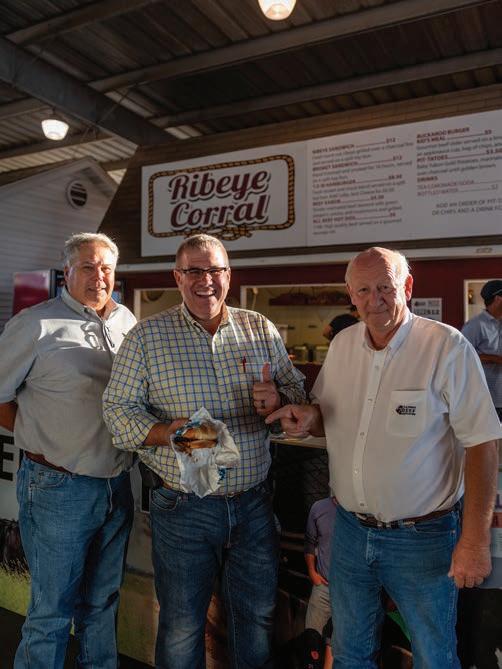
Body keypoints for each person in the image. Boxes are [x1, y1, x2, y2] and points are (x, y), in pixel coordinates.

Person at [266, 246, 501, 668]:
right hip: (350, 531)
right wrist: (306, 418)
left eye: (385, 288)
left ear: (407, 287)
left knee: (434, 657)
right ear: (350, 295)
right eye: (363, 290)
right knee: (350, 652)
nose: (374, 300)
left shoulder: (446, 346)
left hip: (423, 539)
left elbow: (483, 444)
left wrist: (474, 541)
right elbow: (326, 417)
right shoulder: (343, 345)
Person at [103, 233, 306, 669]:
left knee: (256, 620)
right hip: (184, 507)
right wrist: (169, 432)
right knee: (181, 626)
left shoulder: (259, 328)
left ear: (228, 275)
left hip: (254, 503)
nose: (205, 280)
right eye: (194, 270)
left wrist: (279, 400)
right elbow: (117, 412)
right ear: (177, 277)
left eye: (214, 270)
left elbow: (298, 394)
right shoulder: (146, 337)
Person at [0, 232, 136, 669]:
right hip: (57, 486)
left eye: (106, 268)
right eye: (88, 267)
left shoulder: (126, 320)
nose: (99, 276)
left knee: (103, 604)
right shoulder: (34, 324)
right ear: (67, 272)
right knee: (51, 612)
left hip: (117, 483)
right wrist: (39, 436)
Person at [303, 497, 337, 669]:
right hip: (323, 586)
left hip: (348, 592)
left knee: (337, 646)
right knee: (312, 643)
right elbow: (309, 542)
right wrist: (312, 572)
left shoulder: (359, 512)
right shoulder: (319, 508)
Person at [462, 279, 502, 420]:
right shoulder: (475, 325)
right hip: (488, 398)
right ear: (497, 299)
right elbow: (463, 355)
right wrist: (494, 359)